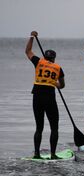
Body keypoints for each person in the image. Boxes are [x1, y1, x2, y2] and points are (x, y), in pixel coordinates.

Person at [25, 31, 65, 159]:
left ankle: (37, 154)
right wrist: (55, 83)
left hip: (36, 97)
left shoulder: (38, 62)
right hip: (49, 98)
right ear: (53, 58)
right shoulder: (58, 68)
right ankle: (53, 155)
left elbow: (28, 51)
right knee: (54, 128)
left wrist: (32, 37)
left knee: (39, 127)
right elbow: (62, 85)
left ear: (45, 57)